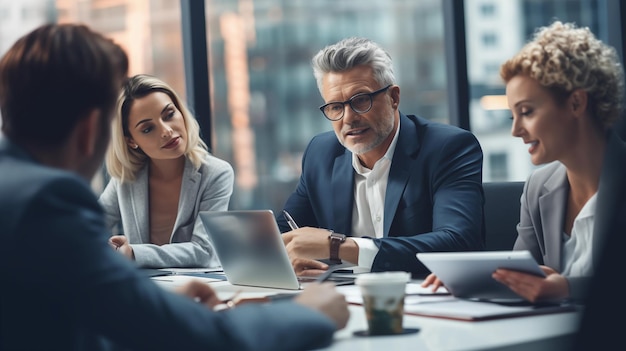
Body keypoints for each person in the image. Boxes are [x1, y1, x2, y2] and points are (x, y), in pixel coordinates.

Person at [0, 23, 349, 351]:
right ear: (94, 129)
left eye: (168, 115)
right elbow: (212, 339)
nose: (165, 131)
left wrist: (150, 310)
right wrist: (309, 313)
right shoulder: (47, 202)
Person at [423, 21, 625, 304]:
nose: (515, 130)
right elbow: (521, 275)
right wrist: (470, 277)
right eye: (512, 116)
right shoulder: (539, 186)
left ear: (576, 103)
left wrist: (567, 288)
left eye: (527, 112)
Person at [278, 37, 485, 277]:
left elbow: (458, 243)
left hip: (422, 300)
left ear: (393, 98)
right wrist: (282, 256)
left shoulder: (447, 148)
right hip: (343, 300)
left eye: (361, 100)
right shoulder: (320, 153)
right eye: (335, 106)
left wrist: (339, 247)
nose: (348, 118)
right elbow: (285, 233)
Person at [99, 74, 234, 268]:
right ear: (131, 141)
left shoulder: (216, 173)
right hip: (144, 287)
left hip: (201, 287)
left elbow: (204, 250)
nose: (166, 131)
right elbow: (89, 227)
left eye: (169, 115)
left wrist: (134, 253)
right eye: (147, 129)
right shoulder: (125, 179)